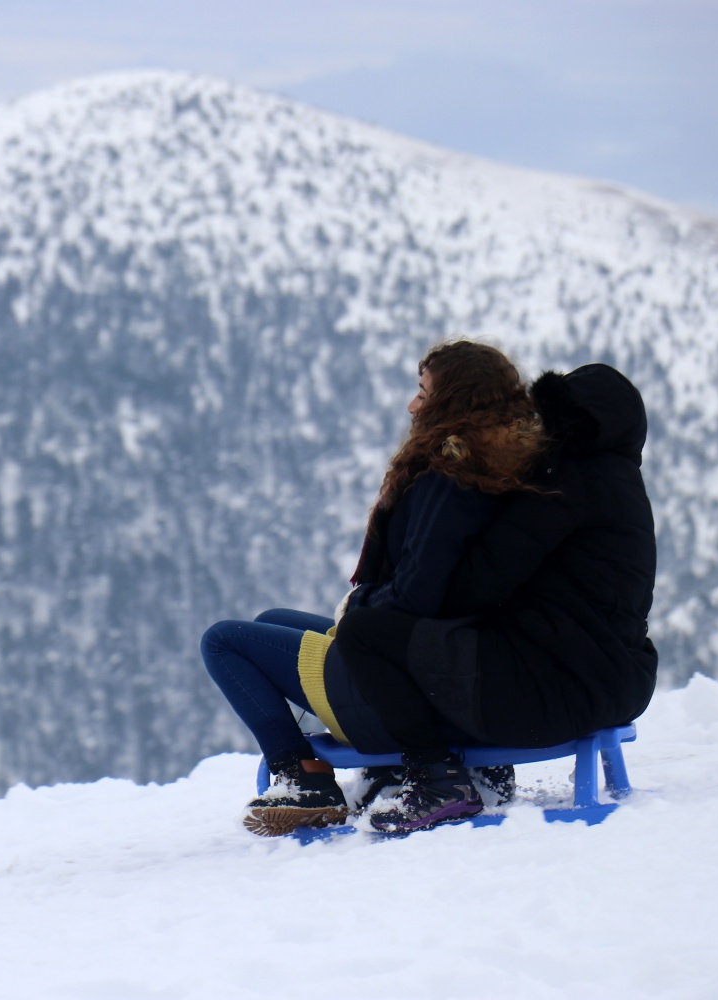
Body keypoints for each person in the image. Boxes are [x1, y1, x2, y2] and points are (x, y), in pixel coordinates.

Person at [202, 341, 547, 836]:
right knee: (270, 622)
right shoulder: (494, 469)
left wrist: (357, 608)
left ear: (456, 401)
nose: (412, 405)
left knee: (224, 641)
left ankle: (304, 776)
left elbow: (417, 595)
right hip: (440, 659)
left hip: (404, 672)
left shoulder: (449, 482)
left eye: (424, 394)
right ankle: (384, 769)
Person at [342, 363, 658, 834]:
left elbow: (479, 584)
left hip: (558, 691)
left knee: (365, 634)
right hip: (618, 681)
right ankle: (478, 769)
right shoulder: (623, 485)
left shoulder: (564, 484)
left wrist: (419, 574)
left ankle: (438, 778)